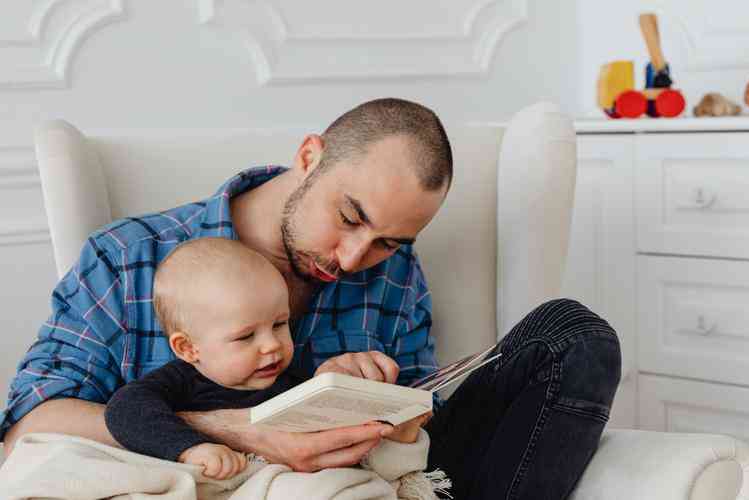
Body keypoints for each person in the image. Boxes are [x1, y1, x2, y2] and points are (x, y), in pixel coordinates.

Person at [2, 98, 621, 499]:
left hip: (365, 484)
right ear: (308, 158)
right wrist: (245, 431)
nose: (352, 260)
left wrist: (393, 404)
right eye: (349, 218)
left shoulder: (395, 272)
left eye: (386, 241)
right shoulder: (128, 257)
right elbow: (29, 425)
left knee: (571, 334)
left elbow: (413, 433)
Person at [104, 237, 432, 487]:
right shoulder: (177, 382)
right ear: (189, 348)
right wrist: (190, 449)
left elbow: (348, 450)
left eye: (279, 324)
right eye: (246, 337)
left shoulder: (292, 382)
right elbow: (123, 411)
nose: (272, 346)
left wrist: (396, 432)